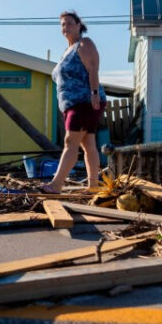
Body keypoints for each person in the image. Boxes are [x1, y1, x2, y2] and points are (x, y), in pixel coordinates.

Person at [41, 11, 106, 193]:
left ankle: (56, 185)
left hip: (85, 101)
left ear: (79, 25)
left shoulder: (84, 44)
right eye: (63, 24)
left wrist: (94, 93)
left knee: (70, 141)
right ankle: (93, 186)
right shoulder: (67, 51)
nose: (66, 27)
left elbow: (93, 68)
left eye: (70, 23)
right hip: (72, 104)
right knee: (89, 144)